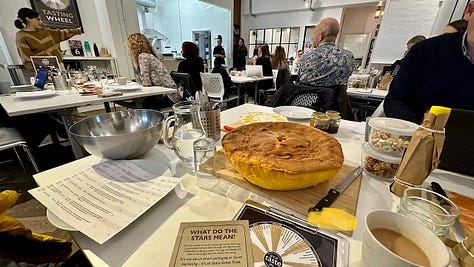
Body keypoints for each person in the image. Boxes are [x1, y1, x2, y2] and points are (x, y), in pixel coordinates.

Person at [384, 5, 474, 124]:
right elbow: (395, 100)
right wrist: (422, 132)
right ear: (470, 10)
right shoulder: (424, 51)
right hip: (417, 134)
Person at [14, 7, 81, 74]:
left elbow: (62, 33)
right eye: (38, 19)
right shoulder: (21, 36)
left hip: (59, 67)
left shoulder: (45, 31)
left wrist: (78, 30)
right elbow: (26, 59)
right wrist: (38, 74)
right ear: (28, 19)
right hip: (42, 70)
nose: (41, 22)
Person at [126, 33, 179, 108]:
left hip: (169, 96)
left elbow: (146, 83)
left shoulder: (143, 57)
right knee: (138, 102)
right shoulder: (146, 56)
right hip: (164, 95)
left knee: (140, 105)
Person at [298, 18, 354, 88]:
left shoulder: (306, 57)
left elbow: (301, 79)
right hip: (336, 98)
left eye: (314, 34)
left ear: (320, 36)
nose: (313, 38)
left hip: (308, 98)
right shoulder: (348, 57)